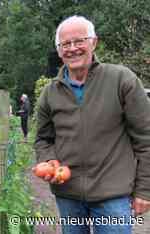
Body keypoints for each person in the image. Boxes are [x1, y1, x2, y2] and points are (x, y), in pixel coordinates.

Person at [34, 15, 150, 234]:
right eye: (65, 44)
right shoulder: (50, 93)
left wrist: (145, 190)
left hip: (112, 196)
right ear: (59, 51)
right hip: (67, 194)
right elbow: (43, 139)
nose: (72, 48)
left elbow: (146, 139)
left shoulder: (121, 80)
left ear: (93, 42)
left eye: (79, 41)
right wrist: (48, 160)